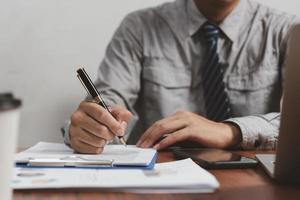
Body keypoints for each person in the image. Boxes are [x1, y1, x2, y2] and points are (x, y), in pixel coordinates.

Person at [62, 0, 299, 154]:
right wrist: (93, 126)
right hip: (160, 177)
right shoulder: (139, 27)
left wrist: (231, 131)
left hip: (253, 182)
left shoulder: (286, 30)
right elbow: (109, 99)